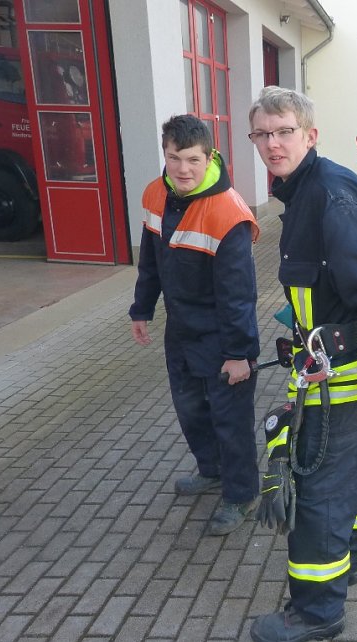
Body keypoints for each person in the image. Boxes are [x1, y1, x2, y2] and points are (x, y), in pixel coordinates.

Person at [247, 86, 357, 642]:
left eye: (284, 131)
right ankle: (351, 561)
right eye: (262, 134)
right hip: (326, 373)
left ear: (310, 135)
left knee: (317, 497)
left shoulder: (329, 195)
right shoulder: (301, 191)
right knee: (346, 486)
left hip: (342, 382)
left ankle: (317, 613)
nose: (272, 143)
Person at [128, 114, 261, 535]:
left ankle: (240, 494)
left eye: (192, 160)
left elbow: (240, 294)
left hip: (224, 336)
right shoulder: (156, 194)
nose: (183, 169)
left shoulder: (228, 212)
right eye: (174, 158)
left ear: (210, 157)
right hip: (180, 330)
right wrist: (141, 308)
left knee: (230, 421)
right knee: (190, 410)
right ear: (164, 155)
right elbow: (149, 260)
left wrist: (239, 354)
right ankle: (211, 470)